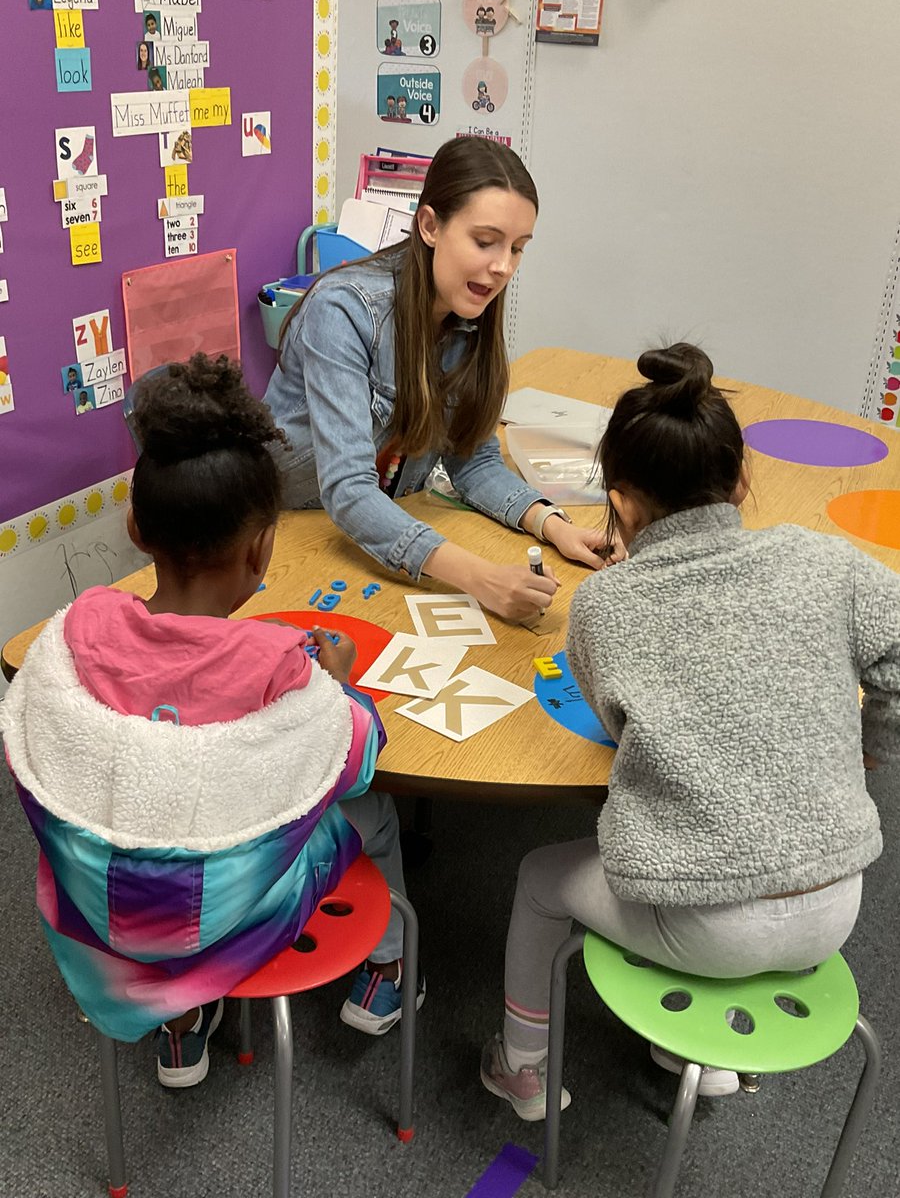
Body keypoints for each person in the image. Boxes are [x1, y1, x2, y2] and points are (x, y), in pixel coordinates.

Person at [481, 342, 899, 1120]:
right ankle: (702, 1055)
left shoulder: (606, 606)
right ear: (742, 481)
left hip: (705, 923)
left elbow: (614, 722)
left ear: (623, 504)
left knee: (540, 877)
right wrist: (874, 742)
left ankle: (520, 1065)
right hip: (836, 909)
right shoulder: (823, 561)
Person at [1, 353, 418, 1090]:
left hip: (97, 920)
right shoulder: (279, 662)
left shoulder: (81, 628)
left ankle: (182, 1027)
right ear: (261, 549)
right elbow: (352, 760)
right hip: (222, 926)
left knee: (152, 820)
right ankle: (387, 963)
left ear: (135, 526)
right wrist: (341, 686)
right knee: (375, 812)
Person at [264, 137, 615, 626]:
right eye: (485, 241)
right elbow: (347, 489)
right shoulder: (343, 308)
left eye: (517, 248)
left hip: (385, 530)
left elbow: (471, 461)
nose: (503, 267)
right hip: (290, 532)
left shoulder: (468, 317)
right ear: (430, 225)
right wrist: (482, 579)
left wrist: (552, 525)